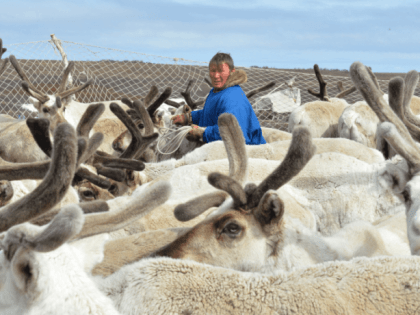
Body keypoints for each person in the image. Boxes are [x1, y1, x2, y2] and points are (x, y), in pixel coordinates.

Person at [171, 52, 266, 145]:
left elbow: (232, 131)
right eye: (213, 71)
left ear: (231, 71)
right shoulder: (218, 91)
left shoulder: (232, 97)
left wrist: (202, 133)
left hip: (247, 152)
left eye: (221, 71)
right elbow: (210, 114)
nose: (216, 76)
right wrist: (189, 117)